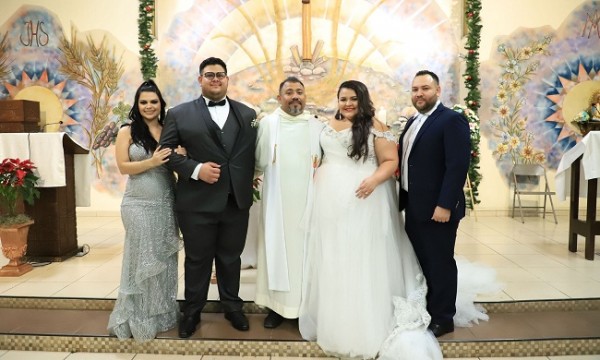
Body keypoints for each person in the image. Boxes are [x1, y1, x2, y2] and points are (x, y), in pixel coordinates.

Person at [299, 80, 442, 359]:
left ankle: (366, 320)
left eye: (353, 98)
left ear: (363, 99)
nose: (348, 104)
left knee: (364, 256)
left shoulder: (377, 126)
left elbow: (390, 161)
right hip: (330, 202)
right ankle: (336, 314)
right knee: (336, 257)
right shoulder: (328, 124)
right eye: (343, 99)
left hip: (366, 198)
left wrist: (373, 181)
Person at [159, 57, 257, 337]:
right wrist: (195, 169)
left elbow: (251, 154)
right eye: (210, 75)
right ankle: (192, 311)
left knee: (230, 258)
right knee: (197, 259)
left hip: (234, 200)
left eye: (221, 75)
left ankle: (232, 306)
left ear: (227, 80)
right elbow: (165, 154)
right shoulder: (179, 113)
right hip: (197, 202)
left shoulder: (247, 114)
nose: (216, 79)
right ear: (200, 79)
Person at [398, 70, 471, 337]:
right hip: (415, 206)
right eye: (415, 89)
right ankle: (429, 307)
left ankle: (443, 317)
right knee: (423, 262)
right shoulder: (412, 122)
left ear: (438, 91)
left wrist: (445, 204)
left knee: (440, 262)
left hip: (437, 209)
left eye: (425, 88)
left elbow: (457, 166)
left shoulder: (451, 120)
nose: (419, 93)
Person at [107, 80, 181, 342]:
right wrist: (151, 161)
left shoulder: (169, 129)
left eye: (153, 101)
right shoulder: (128, 131)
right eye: (144, 102)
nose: (149, 106)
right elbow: (124, 167)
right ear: (137, 106)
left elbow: (176, 163)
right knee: (142, 258)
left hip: (165, 201)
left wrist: (182, 155)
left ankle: (159, 314)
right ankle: (136, 316)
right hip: (137, 203)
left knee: (161, 258)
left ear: (161, 104)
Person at [255, 77, 324, 328]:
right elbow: (257, 160)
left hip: (308, 202)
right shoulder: (267, 124)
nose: (295, 96)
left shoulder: (317, 126)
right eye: (289, 92)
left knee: (305, 255)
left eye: (299, 92)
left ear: (305, 96)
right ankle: (276, 307)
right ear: (279, 96)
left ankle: (303, 306)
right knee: (277, 250)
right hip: (277, 201)